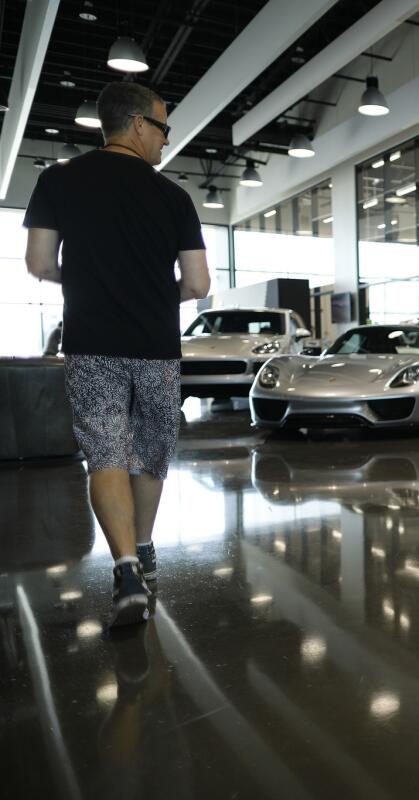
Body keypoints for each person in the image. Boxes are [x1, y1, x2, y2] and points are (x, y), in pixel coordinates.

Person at [24, 81, 210, 629]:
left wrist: (85, 282)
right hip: (155, 345)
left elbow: (37, 262)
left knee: (104, 451)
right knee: (149, 452)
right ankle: (146, 547)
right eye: (162, 129)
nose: (164, 142)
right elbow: (197, 282)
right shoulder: (173, 197)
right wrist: (155, 292)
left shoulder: (57, 180)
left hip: (91, 341)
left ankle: (126, 567)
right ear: (136, 125)